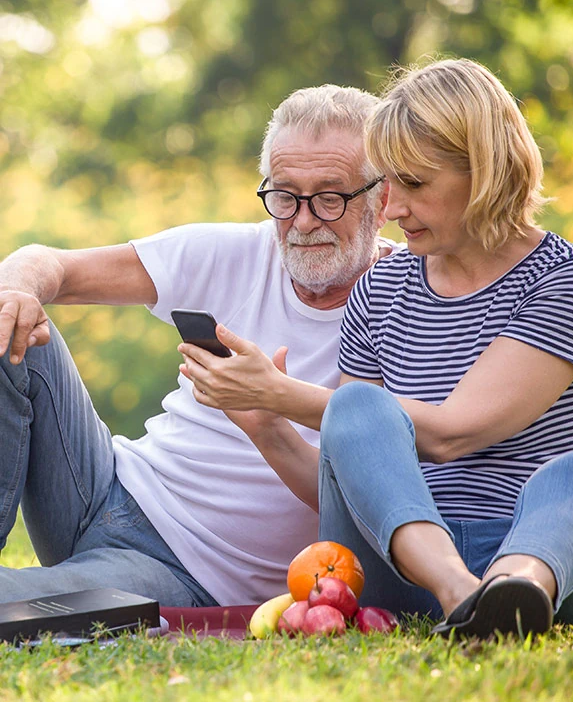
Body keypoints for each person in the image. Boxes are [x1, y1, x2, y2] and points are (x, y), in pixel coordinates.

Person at [219, 58, 573, 638]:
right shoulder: (380, 289)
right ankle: (464, 597)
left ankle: (515, 594)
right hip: (408, 569)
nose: (391, 208)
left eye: (412, 183)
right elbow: (357, 482)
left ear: (485, 171)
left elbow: (452, 431)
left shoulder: (567, 281)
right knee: (355, 411)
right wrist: (267, 423)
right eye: (386, 183)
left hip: (552, 560)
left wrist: (286, 395)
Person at [0, 83, 397, 607]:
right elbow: (48, 263)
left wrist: (267, 413)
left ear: (382, 199)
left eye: (329, 197)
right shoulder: (235, 251)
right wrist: (17, 289)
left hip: (183, 572)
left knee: (18, 603)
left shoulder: (408, 307)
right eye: (284, 196)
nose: (302, 221)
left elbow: (363, 503)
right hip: (102, 487)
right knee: (9, 320)